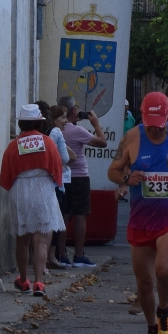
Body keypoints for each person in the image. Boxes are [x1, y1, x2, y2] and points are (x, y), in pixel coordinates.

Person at [109, 91, 168, 334]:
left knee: (164, 268)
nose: (154, 129)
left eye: (159, 123)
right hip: (141, 218)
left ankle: (164, 310)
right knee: (144, 283)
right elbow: (113, 170)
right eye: (150, 123)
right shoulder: (132, 137)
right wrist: (126, 179)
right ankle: (152, 330)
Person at [0, 104, 65, 297]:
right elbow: (58, 168)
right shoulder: (48, 142)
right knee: (41, 240)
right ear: (39, 122)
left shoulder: (14, 145)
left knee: (22, 240)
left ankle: (23, 280)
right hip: (43, 189)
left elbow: (5, 175)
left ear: (21, 123)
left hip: (21, 190)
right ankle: (39, 282)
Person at [60, 105, 107, 267]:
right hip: (79, 176)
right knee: (80, 215)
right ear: (73, 111)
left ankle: (61, 254)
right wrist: (96, 125)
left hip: (62, 176)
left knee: (63, 215)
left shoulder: (56, 130)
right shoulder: (77, 131)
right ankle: (79, 255)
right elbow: (102, 142)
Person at [47, 106, 74, 268]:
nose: (66, 121)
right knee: (57, 219)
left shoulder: (45, 132)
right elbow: (65, 158)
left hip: (46, 180)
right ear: (54, 119)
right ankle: (52, 255)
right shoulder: (56, 133)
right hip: (59, 179)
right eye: (63, 117)